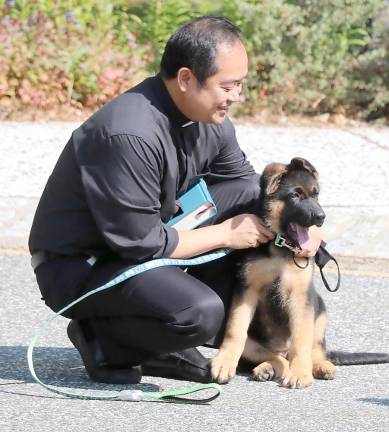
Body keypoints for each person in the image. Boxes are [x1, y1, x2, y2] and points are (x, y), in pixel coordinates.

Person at [29, 15, 321, 385]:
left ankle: (206, 337)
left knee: (251, 199)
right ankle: (104, 338)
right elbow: (142, 242)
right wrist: (225, 234)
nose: (236, 97)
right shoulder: (128, 134)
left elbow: (247, 186)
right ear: (186, 79)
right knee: (197, 312)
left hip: (146, 239)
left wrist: (298, 232)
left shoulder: (208, 119)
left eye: (240, 86)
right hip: (83, 266)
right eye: (228, 87)